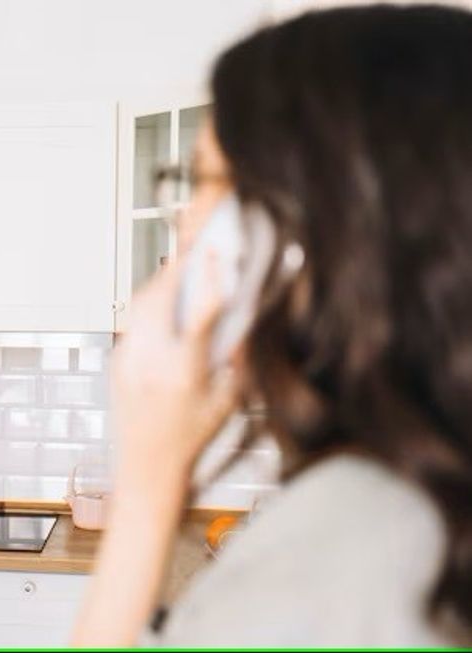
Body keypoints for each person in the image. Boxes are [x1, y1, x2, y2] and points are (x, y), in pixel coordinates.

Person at [73, 4, 472, 647]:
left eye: (206, 181)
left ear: (321, 227)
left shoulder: (335, 556)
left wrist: (147, 485)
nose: (188, 221)